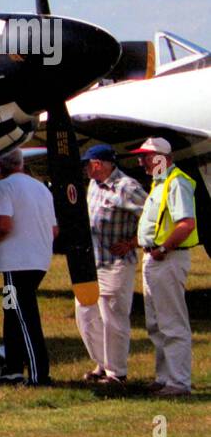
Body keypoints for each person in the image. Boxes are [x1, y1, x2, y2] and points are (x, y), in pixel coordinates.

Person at [0, 149, 59, 385]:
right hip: (39, 260)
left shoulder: (4, 187)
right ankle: (12, 367)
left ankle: (38, 374)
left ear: (0, 166)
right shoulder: (41, 188)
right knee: (11, 312)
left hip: (16, 263)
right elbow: (54, 230)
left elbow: (4, 225)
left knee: (24, 317)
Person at [76, 144, 148, 384]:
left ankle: (117, 372)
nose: (85, 169)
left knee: (113, 317)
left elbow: (153, 217)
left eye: (87, 164)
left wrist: (132, 242)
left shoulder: (127, 187)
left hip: (116, 263)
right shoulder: (93, 186)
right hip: (93, 261)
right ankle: (102, 363)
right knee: (86, 313)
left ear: (98, 164)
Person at [133, 137, 198, 396]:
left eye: (146, 157)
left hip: (167, 258)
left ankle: (179, 382)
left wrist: (163, 248)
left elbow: (186, 223)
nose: (142, 162)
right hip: (156, 258)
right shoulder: (159, 183)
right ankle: (164, 377)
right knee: (157, 323)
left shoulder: (176, 182)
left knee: (172, 323)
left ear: (162, 157)